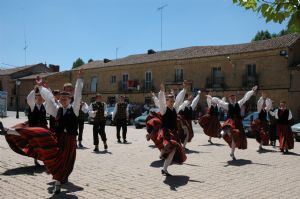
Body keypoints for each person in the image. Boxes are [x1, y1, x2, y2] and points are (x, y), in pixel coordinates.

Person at [0, 70, 83, 195]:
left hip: (70, 140)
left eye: (66, 99)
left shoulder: (75, 109)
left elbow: (78, 95)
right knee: (54, 157)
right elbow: (49, 99)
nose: (63, 101)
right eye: (62, 99)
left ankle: (60, 179)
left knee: (67, 163)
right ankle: (57, 184)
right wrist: (39, 87)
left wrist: (79, 80)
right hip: (58, 139)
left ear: (70, 99)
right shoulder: (57, 110)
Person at [213, 86, 257, 160]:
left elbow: (245, 98)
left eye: (234, 98)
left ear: (235, 99)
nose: (233, 99)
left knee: (235, 138)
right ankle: (220, 134)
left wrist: (252, 91)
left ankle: (232, 153)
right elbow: (219, 101)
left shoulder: (238, 104)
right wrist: (212, 98)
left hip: (238, 123)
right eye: (231, 98)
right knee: (227, 127)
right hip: (231, 121)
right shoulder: (227, 105)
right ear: (229, 99)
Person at [158, 82, 187, 176]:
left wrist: (184, 90)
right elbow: (161, 101)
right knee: (170, 146)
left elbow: (179, 100)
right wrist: (162, 92)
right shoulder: (164, 109)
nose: (172, 102)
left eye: (172, 101)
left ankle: (164, 168)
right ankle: (163, 151)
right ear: (167, 101)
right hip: (166, 131)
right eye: (170, 101)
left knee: (173, 150)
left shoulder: (175, 108)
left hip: (173, 132)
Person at [26, 85, 48, 166]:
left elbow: (50, 100)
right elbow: (29, 99)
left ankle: (44, 159)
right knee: (35, 145)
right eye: (38, 96)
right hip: (34, 128)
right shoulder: (32, 105)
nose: (40, 98)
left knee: (43, 144)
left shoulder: (44, 106)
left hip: (42, 128)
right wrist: (34, 90)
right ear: (35, 97)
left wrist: (44, 89)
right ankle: (36, 159)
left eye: (41, 97)